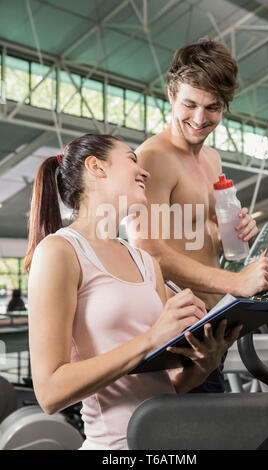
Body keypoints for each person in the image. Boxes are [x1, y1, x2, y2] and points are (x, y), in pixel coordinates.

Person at [25, 133, 242, 450]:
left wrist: (202, 365)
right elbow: (49, 392)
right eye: (131, 159)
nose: (145, 172)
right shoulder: (60, 251)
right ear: (97, 167)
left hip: (169, 440)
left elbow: (167, 387)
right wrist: (152, 338)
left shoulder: (145, 261)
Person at [130, 39, 268, 393]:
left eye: (212, 107)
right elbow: (149, 250)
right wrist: (234, 283)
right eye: (190, 104)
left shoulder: (211, 158)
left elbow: (208, 236)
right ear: (170, 94)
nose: (199, 119)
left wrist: (239, 228)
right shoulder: (154, 158)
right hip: (180, 334)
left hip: (213, 326)